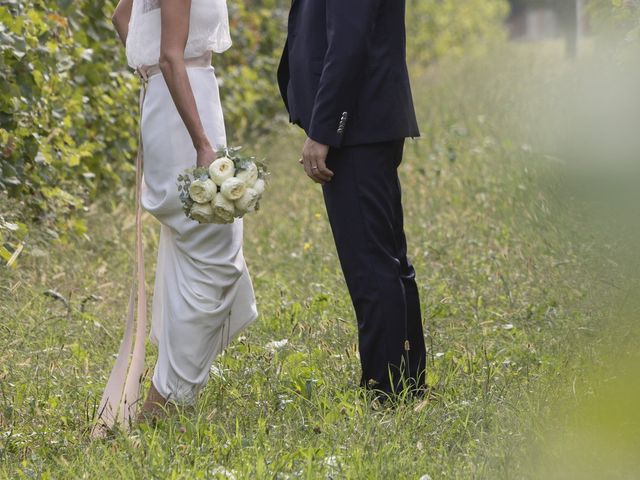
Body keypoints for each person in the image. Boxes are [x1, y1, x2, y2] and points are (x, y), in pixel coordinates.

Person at [107, 0, 257, 423]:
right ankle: (163, 399)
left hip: (178, 97)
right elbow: (171, 55)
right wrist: (202, 142)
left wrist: (150, 76)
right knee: (217, 259)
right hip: (185, 110)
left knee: (197, 252)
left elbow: (122, 16)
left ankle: (172, 386)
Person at [277, 0, 427, 398]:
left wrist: (325, 131)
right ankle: (406, 381)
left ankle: (385, 390)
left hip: (357, 129)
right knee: (388, 259)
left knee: (372, 265)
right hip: (368, 124)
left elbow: (349, 43)